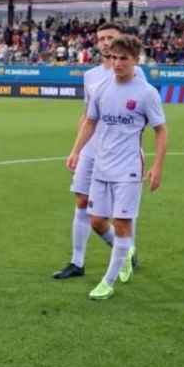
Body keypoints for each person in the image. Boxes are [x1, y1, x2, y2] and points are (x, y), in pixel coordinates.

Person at [68, 35, 167, 300]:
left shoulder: (146, 93)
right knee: (98, 221)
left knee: (122, 223)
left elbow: (161, 130)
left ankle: (107, 282)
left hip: (129, 168)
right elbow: (90, 122)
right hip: (102, 165)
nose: (118, 63)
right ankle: (125, 251)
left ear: (136, 59)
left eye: (124, 58)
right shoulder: (101, 88)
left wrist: (157, 166)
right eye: (113, 57)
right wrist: (76, 151)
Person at [54, 23, 145, 280]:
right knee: (81, 202)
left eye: (110, 38)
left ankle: (126, 248)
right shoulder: (91, 76)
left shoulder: (135, 74)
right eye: (101, 39)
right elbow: (87, 115)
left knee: (121, 211)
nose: (105, 43)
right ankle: (77, 261)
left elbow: (142, 114)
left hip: (120, 153)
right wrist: (77, 149)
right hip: (92, 150)